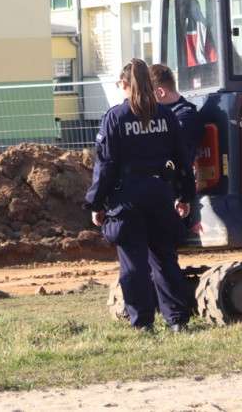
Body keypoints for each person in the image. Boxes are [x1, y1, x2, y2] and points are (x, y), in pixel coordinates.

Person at [85, 59, 196, 332]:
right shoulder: (167, 115)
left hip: (128, 197)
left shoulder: (115, 117)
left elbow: (105, 165)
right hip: (161, 193)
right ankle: (177, 321)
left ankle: (143, 323)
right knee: (165, 260)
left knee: (133, 263)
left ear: (124, 85)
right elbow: (181, 160)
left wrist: (96, 203)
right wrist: (185, 195)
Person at [149, 64, 205, 159]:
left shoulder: (187, 116)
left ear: (161, 92)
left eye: (149, 94)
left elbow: (166, 148)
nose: (147, 99)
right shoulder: (162, 114)